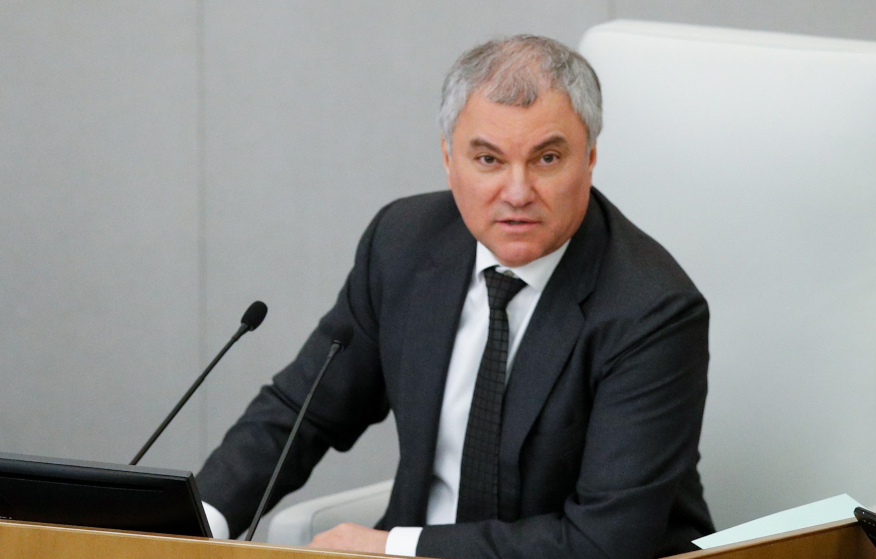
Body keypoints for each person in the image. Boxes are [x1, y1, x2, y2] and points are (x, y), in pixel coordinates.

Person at [197, 34, 714, 559]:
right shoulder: (402, 244)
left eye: (547, 158)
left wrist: (394, 548)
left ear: (590, 157)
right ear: (448, 159)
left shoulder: (652, 311)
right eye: (489, 159)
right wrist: (199, 523)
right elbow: (303, 410)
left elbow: (605, 543)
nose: (518, 192)